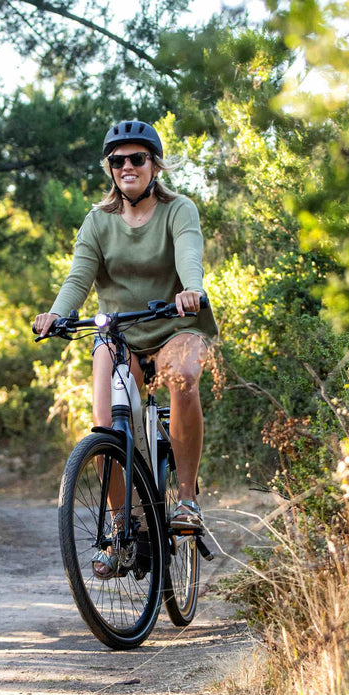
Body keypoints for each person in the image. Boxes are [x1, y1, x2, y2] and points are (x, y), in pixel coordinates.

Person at [33, 120, 218, 575]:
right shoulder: (98, 221)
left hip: (177, 324)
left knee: (183, 379)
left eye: (137, 158)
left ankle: (187, 501)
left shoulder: (179, 210)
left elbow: (188, 254)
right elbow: (79, 275)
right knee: (106, 426)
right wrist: (57, 313)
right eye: (118, 160)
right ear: (109, 168)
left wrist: (190, 288)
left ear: (155, 165)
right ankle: (123, 528)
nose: (127, 166)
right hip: (119, 332)